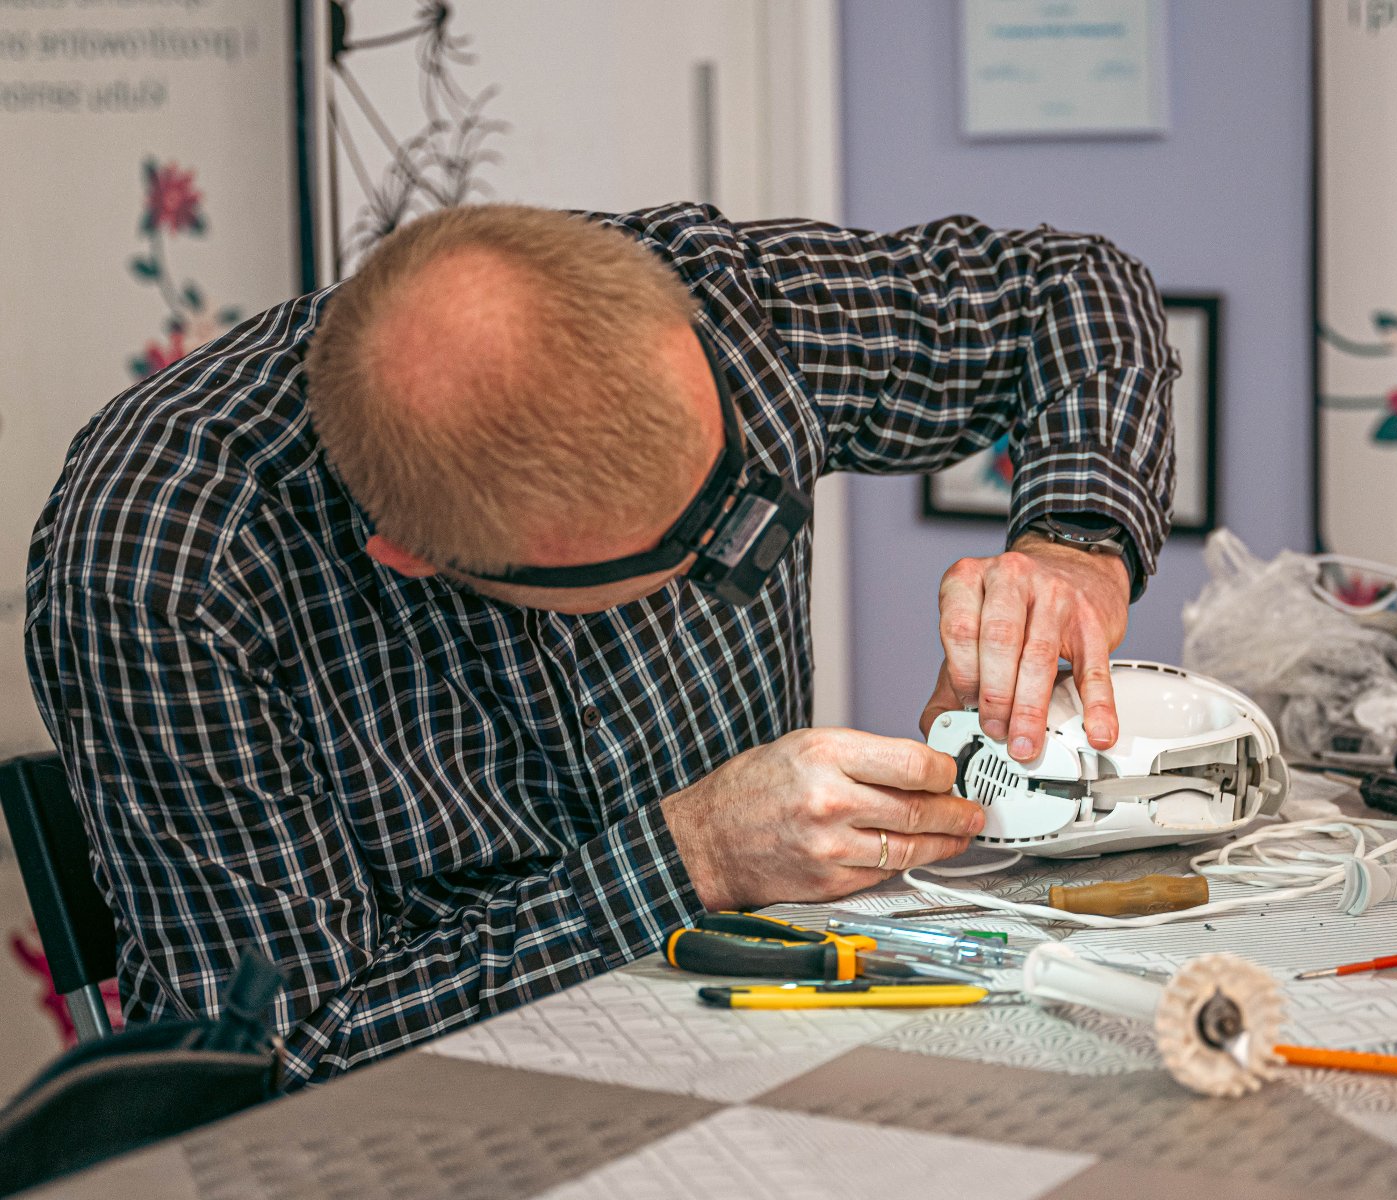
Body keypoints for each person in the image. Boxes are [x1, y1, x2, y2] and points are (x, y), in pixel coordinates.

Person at [25, 203, 1175, 1088]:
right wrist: (694, 857)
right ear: (417, 558)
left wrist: (1076, 542)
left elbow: (1072, 293)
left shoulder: (725, 306)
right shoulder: (167, 566)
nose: (742, 537)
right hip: (468, 1121)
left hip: (773, 1020)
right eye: (688, 558)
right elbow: (281, 1061)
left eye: (742, 486)